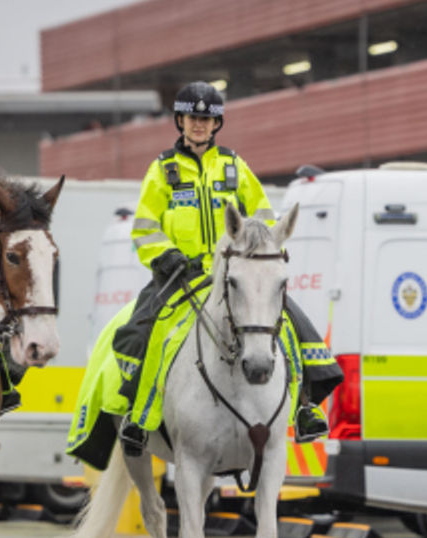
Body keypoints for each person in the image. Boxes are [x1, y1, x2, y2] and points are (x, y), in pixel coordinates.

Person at [114, 81, 340, 443]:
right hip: (181, 275)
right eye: (192, 118)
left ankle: (304, 407)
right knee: (146, 331)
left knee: (292, 324)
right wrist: (165, 255)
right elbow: (145, 226)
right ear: (180, 121)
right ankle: (141, 415)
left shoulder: (235, 167)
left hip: (238, 271)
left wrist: (264, 251)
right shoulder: (163, 171)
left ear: (217, 124)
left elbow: (264, 215)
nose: (199, 125)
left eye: (207, 119)